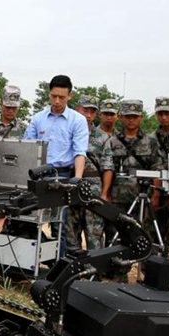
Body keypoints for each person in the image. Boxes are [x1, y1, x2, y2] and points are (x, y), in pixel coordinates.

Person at [23, 75, 88, 255]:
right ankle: (30, 261)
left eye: (62, 97)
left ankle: (58, 264)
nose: (57, 101)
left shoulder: (78, 120)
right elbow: (28, 146)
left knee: (60, 223)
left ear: (70, 96)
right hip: (38, 175)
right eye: (53, 96)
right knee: (30, 218)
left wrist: (77, 178)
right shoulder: (38, 119)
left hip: (63, 176)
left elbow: (80, 152)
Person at [100, 99, 164, 274]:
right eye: (127, 116)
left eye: (135, 117)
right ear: (121, 117)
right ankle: (118, 272)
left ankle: (148, 273)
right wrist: (105, 193)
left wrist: (156, 194)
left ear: (141, 118)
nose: (131, 120)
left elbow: (157, 168)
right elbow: (108, 168)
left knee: (145, 235)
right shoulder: (112, 142)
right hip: (119, 197)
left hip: (144, 197)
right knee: (117, 235)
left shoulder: (151, 141)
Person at [66, 95, 106, 250]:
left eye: (92, 111)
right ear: (77, 109)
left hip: (93, 189)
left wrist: (104, 193)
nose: (88, 115)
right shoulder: (67, 131)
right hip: (70, 186)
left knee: (94, 232)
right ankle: (72, 270)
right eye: (85, 110)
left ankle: (94, 272)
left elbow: (108, 167)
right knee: (70, 230)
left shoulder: (102, 137)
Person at [150, 96, 169, 258]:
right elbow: (155, 166)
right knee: (157, 234)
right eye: (160, 113)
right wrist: (156, 194)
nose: (164, 117)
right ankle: (156, 269)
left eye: (167, 113)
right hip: (159, 192)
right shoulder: (152, 138)